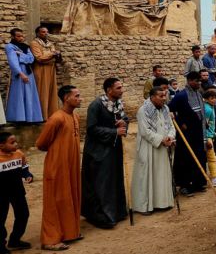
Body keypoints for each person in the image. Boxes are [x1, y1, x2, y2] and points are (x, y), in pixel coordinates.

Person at [36, 85, 83, 251]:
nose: (80, 99)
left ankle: (69, 232)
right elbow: (41, 143)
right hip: (57, 166)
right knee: (55, 201)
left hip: (71, 165)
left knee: (70, 197)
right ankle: (50, 239)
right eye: (76, 96)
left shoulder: (75, 116)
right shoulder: (56, 118)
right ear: (66, 98)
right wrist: (58, 153)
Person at [81, 78, 128, 229]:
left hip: (114, 149)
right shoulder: (96, 105)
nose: (121, 90)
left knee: (114, 180)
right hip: (98, 151)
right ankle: (101, 216)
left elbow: (124, 118)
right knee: (101, 183)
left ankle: (117, 212)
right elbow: (91, 129)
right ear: (109, 90)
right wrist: (114, 132)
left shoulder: (118, 104)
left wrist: (124, 123)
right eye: (118, 88)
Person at [131, 86, 176, 214]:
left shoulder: (165, 109)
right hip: (149, 148)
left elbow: (171, 126)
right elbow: (145, 131)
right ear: (152, 97)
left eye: (165, 95)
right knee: (147, 176)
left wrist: (170, 137)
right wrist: (161, 140)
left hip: (164, 148)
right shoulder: (143, 111)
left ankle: (163, 203)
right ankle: (145, 206)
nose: (164, 98)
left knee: (162, 175)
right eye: (160, 96)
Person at [168, 71, 208, 196]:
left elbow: (201, 111)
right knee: (185, 159)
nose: (199, 83)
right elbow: (169, 110)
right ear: (190, 81)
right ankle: (184, 185)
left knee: (199, 156)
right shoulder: (181, 96)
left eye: (200, 81)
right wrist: (181, 123)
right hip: (186, 133)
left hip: (198, 132)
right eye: (197, 81)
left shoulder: (198, 93)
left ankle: (198, 183)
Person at [0, 132, 33, 254]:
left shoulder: (19, 154)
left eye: (15, 141)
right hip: (1, 195)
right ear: (1, 145)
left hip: (17, 191)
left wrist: (28, 175)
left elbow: (24, 168)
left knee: (23, 214)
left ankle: (15, 240)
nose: (16, 144)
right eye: (12, 142)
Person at [5, 28, 43, 123]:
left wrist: (21, 54)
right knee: (19, 93)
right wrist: (21, 74)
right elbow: (13, 61)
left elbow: (31, 59)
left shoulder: (25, 47)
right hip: (19, 72)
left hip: (28, 72)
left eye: (22, 36)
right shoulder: (10, 46)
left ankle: (30, 118)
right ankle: (19, 118)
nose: (21, 38)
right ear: (13, 36)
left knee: (30, 93)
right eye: (18, 36)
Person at [30, 25, 61, 119]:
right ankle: (41, 116)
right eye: (43, 32)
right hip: (41, 69)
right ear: (37, 33)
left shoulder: (50, 44)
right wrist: (52, 54)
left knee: (51, 92)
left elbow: (54, 56)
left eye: (47, 32)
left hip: (51, 69)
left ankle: (51, 114)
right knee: (42, 92)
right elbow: (39, 58)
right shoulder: (34, 43)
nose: (46, 34)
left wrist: (55, 55)